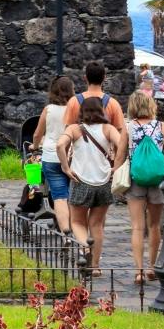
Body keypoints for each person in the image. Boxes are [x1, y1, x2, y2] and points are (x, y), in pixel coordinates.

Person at [58, 94, 122, 275]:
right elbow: (122, 145)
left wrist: (65, 167)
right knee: (97, 224)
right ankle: (95, 266)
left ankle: (85, 248)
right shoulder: (108, 129)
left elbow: (59, 145)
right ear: (101, 110)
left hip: (80, 180)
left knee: (77, 221)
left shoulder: (74, 129)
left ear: (82, 111)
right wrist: (115, 167)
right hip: (103, 182)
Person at [121, 91, 164, 284]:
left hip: (136, 179)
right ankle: (152, 267)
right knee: (154, 225)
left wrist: (114, 173)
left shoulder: (128, 128)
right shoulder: (162, 127)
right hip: (157, 180)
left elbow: (120, 154)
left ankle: (138, 271)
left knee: (137, 227)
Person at [34, 76, 76, 234]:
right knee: (73, 197)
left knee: (59, 197)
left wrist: (35, 146)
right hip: (72, 157)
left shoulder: (48, 109)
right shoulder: (75, 109)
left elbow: (38, 134)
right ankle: (76, 228)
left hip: (51, 156)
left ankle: (65, 234)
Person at [62, 60, 125, 130]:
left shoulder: (73, 102)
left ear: (85, 78)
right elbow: (119, 131)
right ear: (104, 78)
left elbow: (68, 129)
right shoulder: (113, 104)